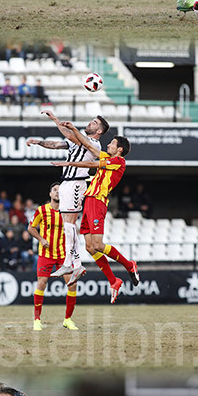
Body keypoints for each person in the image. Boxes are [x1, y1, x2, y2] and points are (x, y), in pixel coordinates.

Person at [51, 131, 139, 303]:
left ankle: (129, 265)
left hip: (98, 202)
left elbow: (92, 163)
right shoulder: (109, 157)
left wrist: (69, 163)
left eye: (112, 143)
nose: (108, 145)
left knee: (98, 244)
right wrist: (75, 130)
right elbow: (90, 146)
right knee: (90, 247)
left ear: (119, 149)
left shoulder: (119, 161)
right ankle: (114, 281)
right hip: (89, 201)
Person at [26, 109, 109, 281]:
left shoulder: (94, 144)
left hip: (76, 183)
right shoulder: (79, 140)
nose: (90, 123)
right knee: (68, 225)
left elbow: (72, 136)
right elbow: (57, 145)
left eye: (94, 122)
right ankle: (74, 264)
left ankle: (73, 264)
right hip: (66, 182)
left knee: (70, 224)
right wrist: (38, 142)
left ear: (99, 131)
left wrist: (56, 120)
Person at [28, 182, 79, 332]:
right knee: (42, 283)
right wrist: (41, 239)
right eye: (54, 190)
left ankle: (68, 320)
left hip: (63, 255)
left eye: (59, 190)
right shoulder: (41, 210)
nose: (57, 192)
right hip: (46, 254)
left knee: (73, 284)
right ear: (50, 194)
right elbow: (30, 228)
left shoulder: (67, 212)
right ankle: (37, 320)